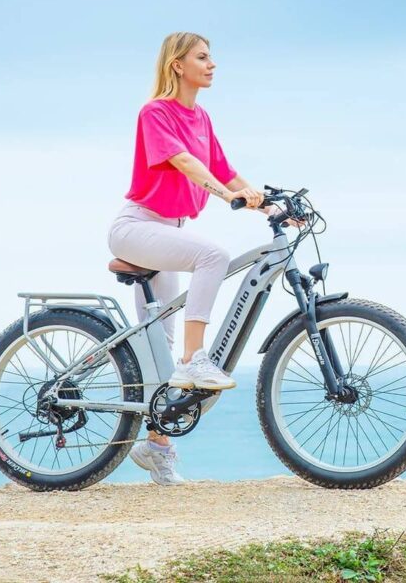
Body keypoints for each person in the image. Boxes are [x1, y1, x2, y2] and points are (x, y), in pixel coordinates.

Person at [107, 32, 303, 485]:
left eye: (211, 57)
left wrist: (268, 206)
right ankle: (194, 359)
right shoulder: (156, 112)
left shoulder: (201, 118)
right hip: (137, 226)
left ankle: (156, 447)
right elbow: (186, 164)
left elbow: (224, 170)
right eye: (202, 57)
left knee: (158, 343)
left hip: (168, 231)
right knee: (213, 255)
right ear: (178, 64)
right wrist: (225, 196)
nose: (212, 64)